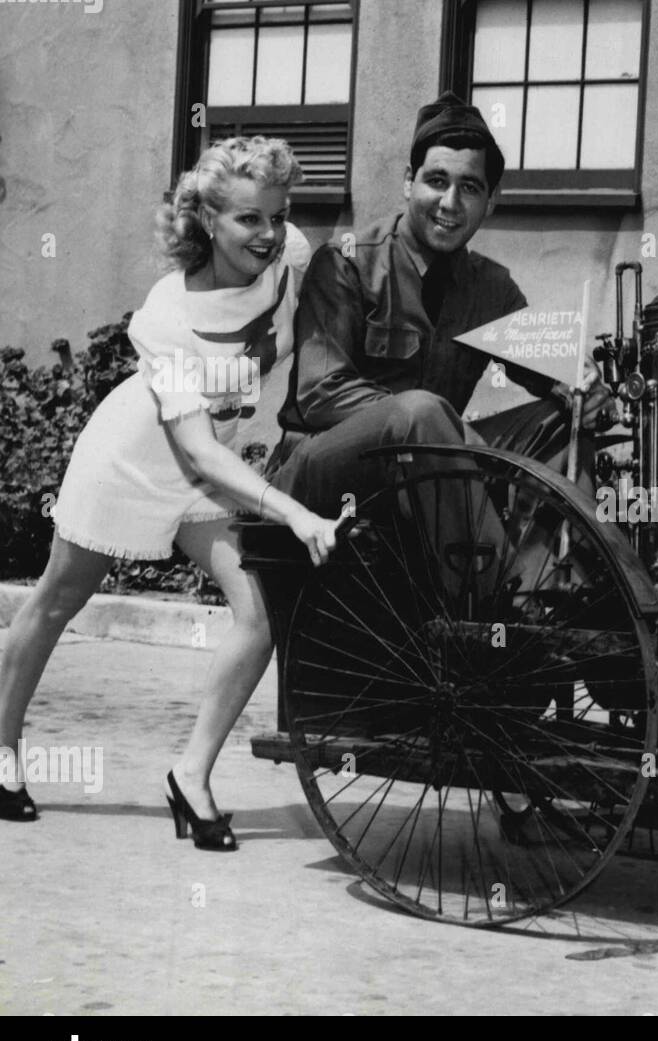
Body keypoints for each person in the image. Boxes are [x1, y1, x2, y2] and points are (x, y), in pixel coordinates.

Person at [0, 137, 339, 839]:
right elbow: (191, 446)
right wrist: (292, 510)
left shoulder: (293, 254)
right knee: (58, 599)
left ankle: (191, 776)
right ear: (208, 220)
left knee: (259, 612)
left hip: (209, 467)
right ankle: (1, 745)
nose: (268, 234)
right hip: (132, 459)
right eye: (248, 220)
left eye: (276, 215)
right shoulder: (165, 318)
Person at [267, 93, 613, 578]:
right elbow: (320, 393)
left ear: (490, 201)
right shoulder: (345, 260)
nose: (450, 203)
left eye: (469, 188)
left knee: (559, 418)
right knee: (421, 410)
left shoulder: (491, 287)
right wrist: (442, 432)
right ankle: (503, 600)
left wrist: (583, 387)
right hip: (323, 470)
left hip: (426, 468)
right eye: (436, 181)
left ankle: (551, 588)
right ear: (409, 183)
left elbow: (549, 365)